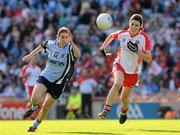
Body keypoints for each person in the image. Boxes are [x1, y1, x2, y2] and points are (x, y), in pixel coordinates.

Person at [22, 27, 81, 132]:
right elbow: (42, 45)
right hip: (46, 76)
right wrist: (30, 55)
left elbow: (78, 55)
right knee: (35, 97)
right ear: (58, 37)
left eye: (66, 37)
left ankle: (34, 125)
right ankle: (34, 106)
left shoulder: (70, 48)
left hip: (59, 82)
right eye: (62, 37)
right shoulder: (50, 44)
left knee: (45, 107)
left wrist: (72, 42)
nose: (64, 39)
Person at [97, 14, 152, 124]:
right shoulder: (123, 34)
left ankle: (124, 113)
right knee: (117, 83)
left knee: (124, 99)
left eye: (137, 25)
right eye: (132, 24)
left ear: (141, 26)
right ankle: (105, 111)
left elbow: (149, 59)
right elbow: (111, 36)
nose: (134, 27)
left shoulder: (144, 38)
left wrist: (138, 52)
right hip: (120, 64)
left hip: (133, 71)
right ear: (129, 24)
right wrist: (103, 47)